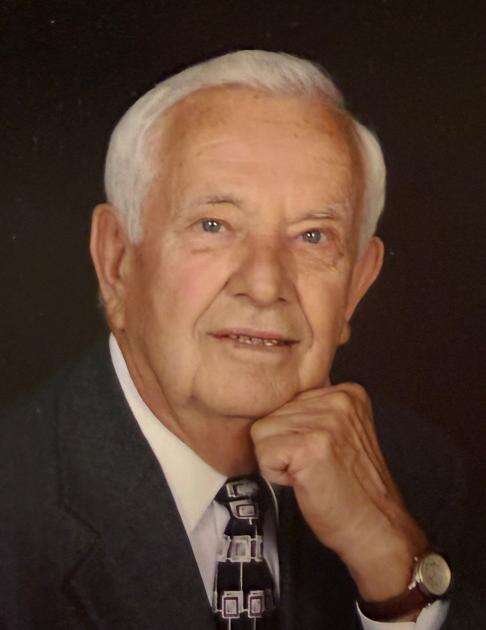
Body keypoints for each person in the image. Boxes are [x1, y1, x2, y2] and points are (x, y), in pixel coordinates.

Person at [0, 50, 481, 629]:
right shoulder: (15, 501)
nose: (264, 285)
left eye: (312, 236)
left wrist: (393, 573)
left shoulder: (424, 476)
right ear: (117, 261)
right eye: (214, 225)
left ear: (355, 287)